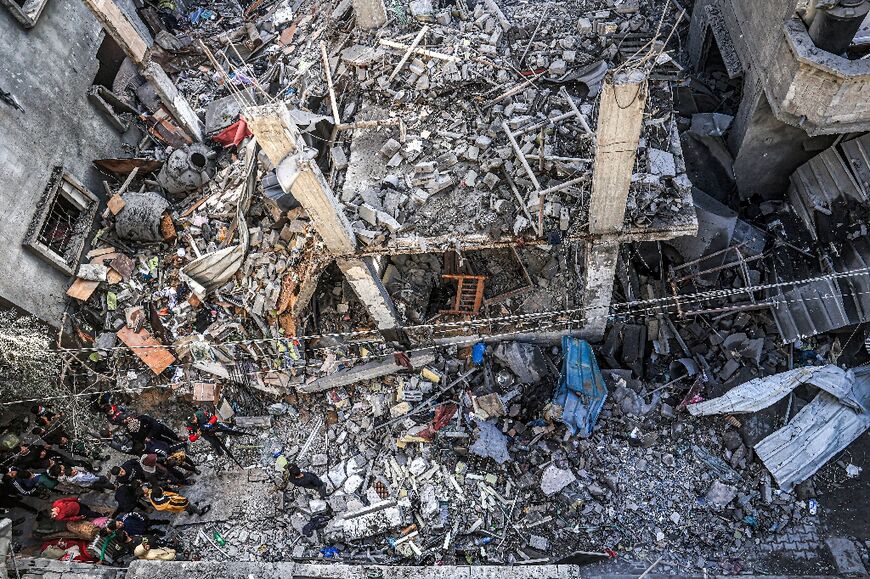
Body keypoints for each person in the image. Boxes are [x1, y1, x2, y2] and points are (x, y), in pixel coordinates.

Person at [142, 484, 210, 517]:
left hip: (175, 506)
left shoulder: (152, 496)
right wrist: (186, 501)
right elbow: (180, 504)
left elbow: (149, 491)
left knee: (186, 508)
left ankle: (190, 511)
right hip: (179, 505)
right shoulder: (169, 501)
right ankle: (199, 512)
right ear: (161, 493)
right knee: (189, 506)